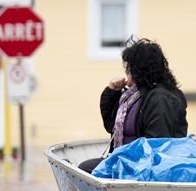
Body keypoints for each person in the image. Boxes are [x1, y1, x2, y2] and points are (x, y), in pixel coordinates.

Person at [79, 38, 188, 173]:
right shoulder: (133, 97)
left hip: (144, 169)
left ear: (138, 71)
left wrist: (123, 161)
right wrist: (111, 92)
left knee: (85, 169)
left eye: (128, 70)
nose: (126, 75)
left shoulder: (160, 100)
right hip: (129, 162)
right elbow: (111, 126)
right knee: (84, 168)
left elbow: (156, 148)